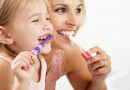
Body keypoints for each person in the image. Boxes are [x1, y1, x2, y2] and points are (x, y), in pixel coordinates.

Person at [43, 0, 111, 90]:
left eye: (78, 10)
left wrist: (98, 79)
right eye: (61, 10)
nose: (75, 22)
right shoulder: (18, 54)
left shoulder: (70, 54)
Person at [0, 0, 53, 90]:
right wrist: (21, 83)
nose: (48, 26)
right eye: (35, 20)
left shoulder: (41, 60)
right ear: (5, 35)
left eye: (47, 18)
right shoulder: (4, 66)